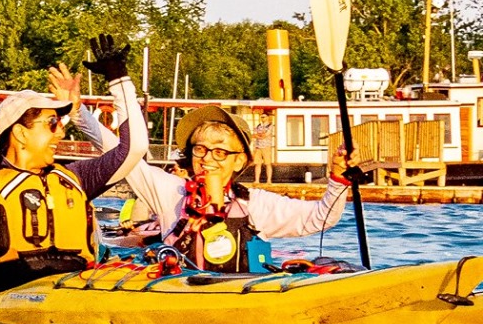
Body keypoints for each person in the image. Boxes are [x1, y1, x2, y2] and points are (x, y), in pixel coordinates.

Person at [0, 0, 143, 297]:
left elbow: (134, 149)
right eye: (52, 123)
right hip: (2, 306)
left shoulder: (75, 178)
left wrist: (118, 79)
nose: (62, 131)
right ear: (20, 133)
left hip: (70, 292)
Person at [77, 99, 355, 273]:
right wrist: (78, 111)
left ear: (239, 161)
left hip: (239, 298)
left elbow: (321, 218)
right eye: (200, 149)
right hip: (179, 296)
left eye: (220, 152)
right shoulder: (169, 191)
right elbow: (120, 153)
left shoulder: (256, 204)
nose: (208, 159)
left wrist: (338, 178)